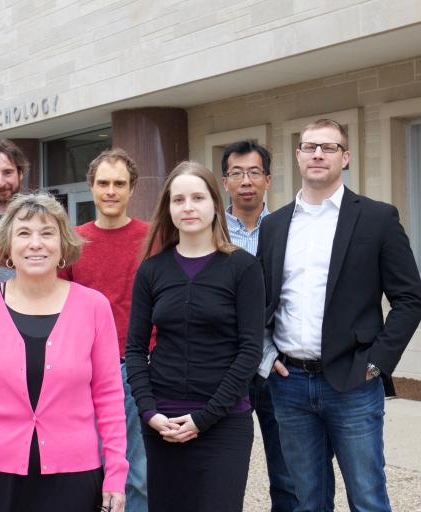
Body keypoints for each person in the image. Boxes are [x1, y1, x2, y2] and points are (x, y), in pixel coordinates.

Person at [257, 119, 421, 511]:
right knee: (307, 500)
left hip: (354, 381)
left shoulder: (378, 218)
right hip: (290, 383)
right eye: (310, 146)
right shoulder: (274, 225)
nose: (318, 154)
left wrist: (376, 363)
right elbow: (261, 302)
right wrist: (267, 357)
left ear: (344, 158)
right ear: (297, 156)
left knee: (367, 497)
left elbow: (410, 298)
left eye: (329, 148)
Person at [0, 192, 128, 512]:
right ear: (7, 247)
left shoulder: (94, 307)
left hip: (75, 477)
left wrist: (116, 475)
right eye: (24, 233)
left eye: (47, 233)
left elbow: (110, 399)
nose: (36, 243)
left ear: (63, 246)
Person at [126, 161, 264, 512]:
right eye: (178, 199)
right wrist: (148, 412)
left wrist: (204, 418)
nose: (188, 207)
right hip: (163, 425)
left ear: (215, 204)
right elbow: (136, 349)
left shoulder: (243, 267)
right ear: (167, 208)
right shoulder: (151, 270)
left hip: (224, 423)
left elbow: (250, 351)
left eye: (198, 198)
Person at [57, 148, 149, 511]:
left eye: (119, 183)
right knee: (85, 466)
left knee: (136, 472)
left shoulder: (152, 238)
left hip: (135, 366)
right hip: (81, 369)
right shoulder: (72, 242)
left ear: (132, 189)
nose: (111, 191)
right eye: (103, 183)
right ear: (91, 187)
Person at [221, 140, 304, 512]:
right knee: (221, 473)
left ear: (268, 180)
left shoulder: (289, 227)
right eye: (236, 173)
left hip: (278, 370)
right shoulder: (209, 231)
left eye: (254, 172)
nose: (246, 181)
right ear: (225, 182)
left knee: (288, 476)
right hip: (224, 368)